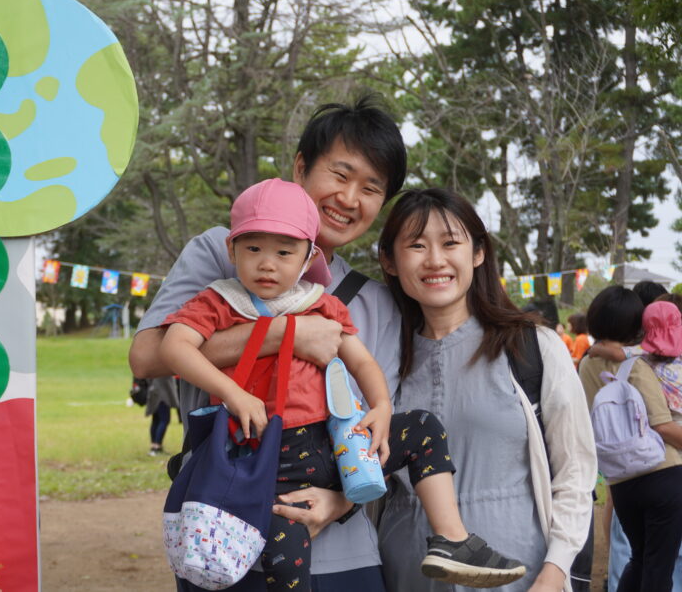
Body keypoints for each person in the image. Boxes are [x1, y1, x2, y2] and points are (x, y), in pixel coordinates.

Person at [161, 178, 525, 590]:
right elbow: (174, 347)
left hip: (334, 447)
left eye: (284, 252)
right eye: (253, 249)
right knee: (286, 557)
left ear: (308, 258)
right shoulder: (218, 302)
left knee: (422, 429)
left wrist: (381, 406)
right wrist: (233, 393)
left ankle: (452, 541)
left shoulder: (321, 304)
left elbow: (362, 362)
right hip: (268, 462)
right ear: (232, 251)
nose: (267, 264)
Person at [131, 95, 407, 590]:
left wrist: (341, 501)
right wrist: (285, 334)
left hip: (346, 555)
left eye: (371, 188)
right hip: (224, 539)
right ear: (301, 168)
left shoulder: (374, 302)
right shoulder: (221, 254)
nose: (349, 198)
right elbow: (148, 356)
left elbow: (380, 426)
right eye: (340, 175)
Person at [346, 188, 595, 592]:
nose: (435, 260)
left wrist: (554, 573)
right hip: (405, 575)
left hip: (521, 576)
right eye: (416, 245)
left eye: (450, 243)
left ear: (478, 253)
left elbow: (576, 472)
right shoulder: (378, 362)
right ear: (389, 260)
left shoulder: (532, 347)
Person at [578, 288, 682, 591]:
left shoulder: (587, 363)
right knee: (659, 568)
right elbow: (662, 425)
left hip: (621, 479)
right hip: (662, 473)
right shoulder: (639, 365)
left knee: (639, 559)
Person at [145, 375, 179, 455]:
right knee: (164, 420)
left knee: (156, 420)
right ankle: (157, 446)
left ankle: (154, 446)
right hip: (162, 395)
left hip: (154, 392)